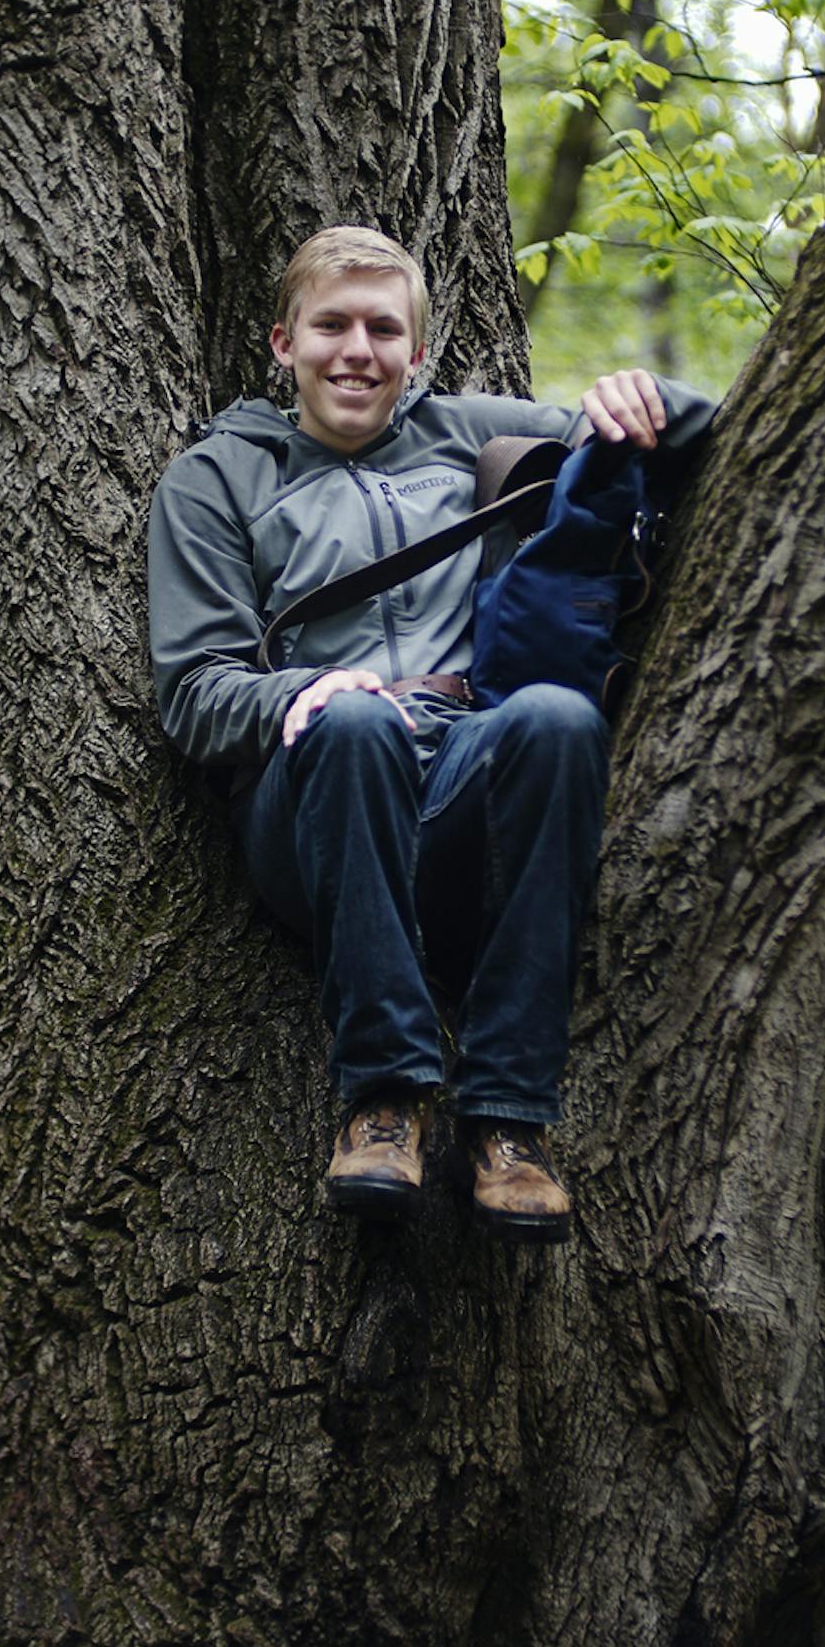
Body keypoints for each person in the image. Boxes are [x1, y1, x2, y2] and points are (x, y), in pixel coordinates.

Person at [146, 226, 713, 1241]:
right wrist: (297, 694)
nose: (356, 349)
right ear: (284, 342)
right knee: (354, 720)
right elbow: (193, 690)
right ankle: (385, 1096)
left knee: (555, 717)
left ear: (415, 350)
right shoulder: (215, 479)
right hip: (316, 800)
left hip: (458, 781)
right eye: (331, 326)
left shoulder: (468, 432)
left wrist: (655, 399)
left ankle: (508, 1116)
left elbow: (694, 440)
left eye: (382, 328)